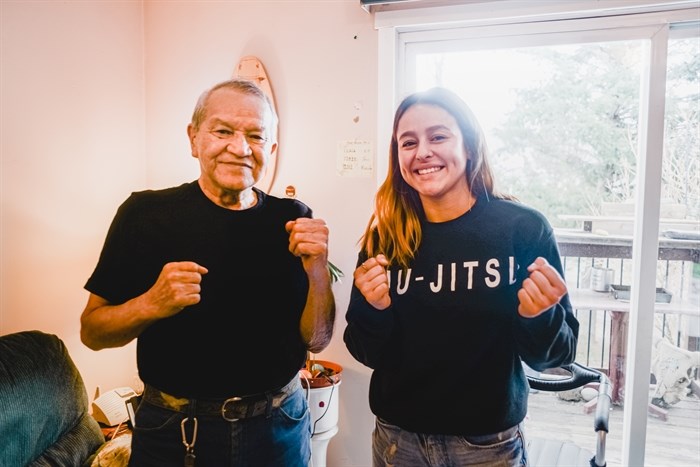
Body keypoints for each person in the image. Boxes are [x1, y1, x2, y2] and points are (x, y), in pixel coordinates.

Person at [80, 78, 336, 467]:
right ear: (194, 138)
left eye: (255, 135)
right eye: (222, 131)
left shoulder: (293, 218)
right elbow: (93, 332)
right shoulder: (145, 215)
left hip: (278, 427)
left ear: (271, 148)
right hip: (175, 431)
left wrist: (318, 270)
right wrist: (151, 303)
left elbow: (316, 340)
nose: (240, 148)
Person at [343, 87, 579, 467]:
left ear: (469, 147)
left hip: (487, 449)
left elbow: (555, 356)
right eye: (408, 142)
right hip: (397, 443)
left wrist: (540, 316)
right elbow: (364, 350)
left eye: (438, 136)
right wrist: (374, 310)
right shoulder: (384, 237)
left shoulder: (522, 229)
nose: (422, 152)